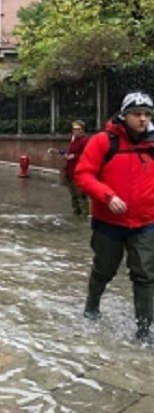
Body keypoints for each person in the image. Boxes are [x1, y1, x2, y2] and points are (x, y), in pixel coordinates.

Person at [75, 92, 154, 346]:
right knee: (104, 269)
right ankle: (92, 306)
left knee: (145, 274)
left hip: (146, 222)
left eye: (146, 114)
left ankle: (145, 329)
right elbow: (83, 175)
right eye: (136, 114)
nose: (142, 119)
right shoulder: (103, 141)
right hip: (109, 222)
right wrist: (107, 196)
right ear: (124, 115)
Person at [62, 120, 90, 217]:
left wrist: (75, 156)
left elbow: (87, 156)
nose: (75, 131)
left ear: (82, 130)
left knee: (81, 195)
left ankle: (84, 214)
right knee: (73, 195)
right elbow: (71, 152)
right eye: (74, 129)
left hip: (79, 172)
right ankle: (76, 212)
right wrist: (67, 155)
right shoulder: (73, 140)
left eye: (78, 129)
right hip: (70, 171)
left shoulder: (85, 141)